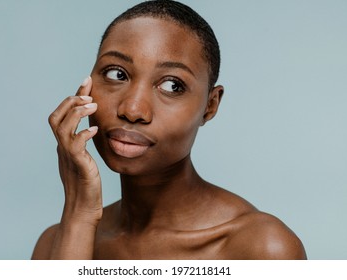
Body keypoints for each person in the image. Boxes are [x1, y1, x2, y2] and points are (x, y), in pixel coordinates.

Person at [32, 0, 306, 260]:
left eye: (172, 85)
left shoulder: (262, 249)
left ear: (210, 106)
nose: (132, 109)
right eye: (117, 74)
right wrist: (79, 213)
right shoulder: (55, 244)